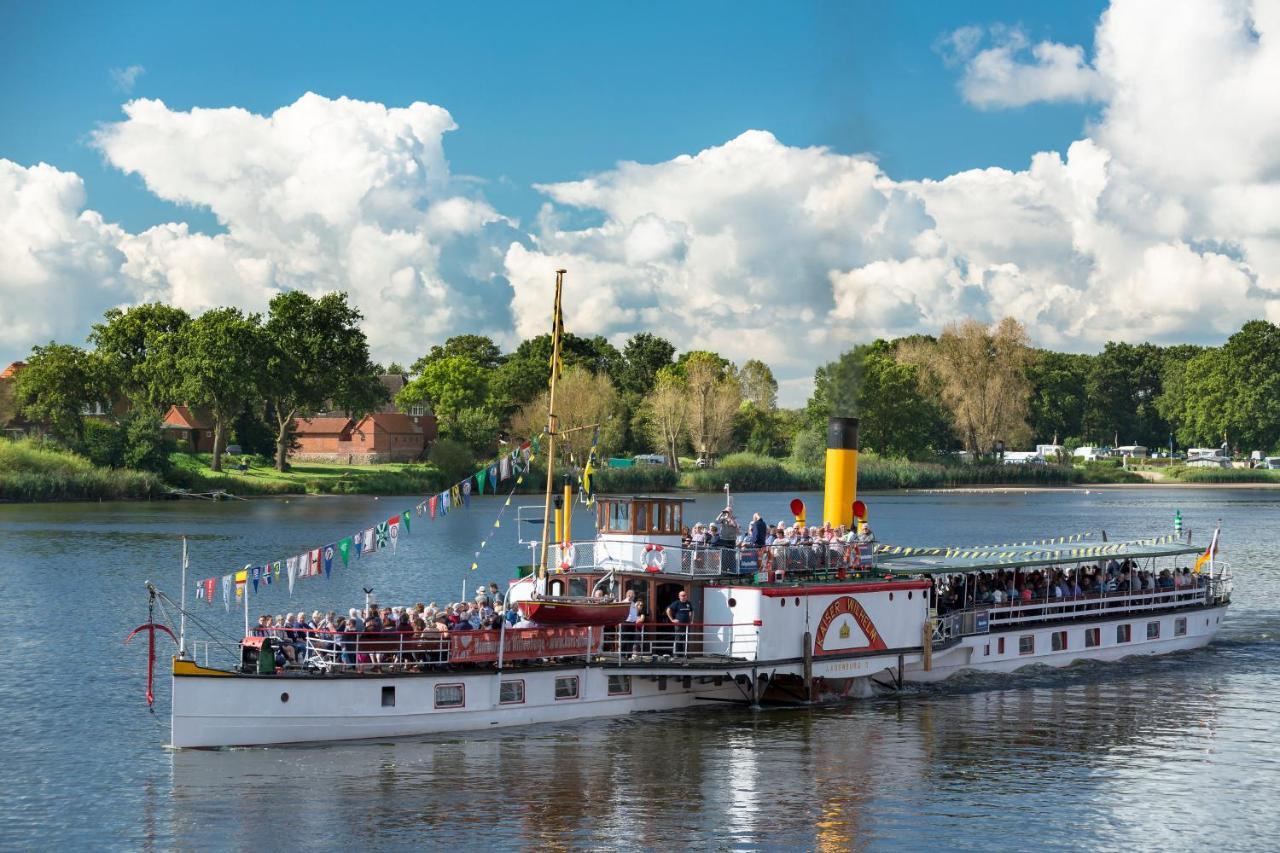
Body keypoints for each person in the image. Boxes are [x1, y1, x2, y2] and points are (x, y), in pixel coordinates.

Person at [666, 589, 694, 657]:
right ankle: (676, 654)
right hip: (678, 625)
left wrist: (691, 620)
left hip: (687, 625)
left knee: (686, 639)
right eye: (682, 595)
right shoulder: (677, 603)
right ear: (679, 596)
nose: (684, 597)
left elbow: (692, 611)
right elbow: (668, 610)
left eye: (685, 595)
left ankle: (686, 654)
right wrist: (672, 619)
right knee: (678, 639)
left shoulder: (688, 603)